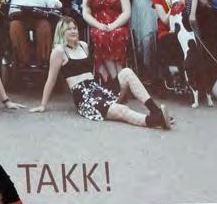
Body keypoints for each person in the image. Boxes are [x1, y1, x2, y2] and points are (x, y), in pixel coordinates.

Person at [30, 16, 172, 128]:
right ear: (61, 33)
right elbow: (51, 79)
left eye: (75, 28)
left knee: (127, 72)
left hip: (98, 89)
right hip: (86, 98)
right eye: (69, 29)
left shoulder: (83, 46)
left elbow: (92, 69)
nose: (74, 31)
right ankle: (154, 121)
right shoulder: (59, 51)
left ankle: (155, 111)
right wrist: (43, 105)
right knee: (122, 110)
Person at [4, 0, 62, 66]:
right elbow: (0, 1)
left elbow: (54, 4)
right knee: (15, 26)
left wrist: (56, 4)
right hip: (17, 18)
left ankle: (43, 61)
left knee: (44, 26)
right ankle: (22, 61)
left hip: (38, 18)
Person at [83, 0, 131, 82]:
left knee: (115, 34)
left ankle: (119, 78)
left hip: (117, 24)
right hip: (98, 26)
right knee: (101, 35)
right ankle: (116, 79)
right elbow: (86, 13)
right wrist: (99, 25)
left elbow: (127, 12)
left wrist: (113, 25)